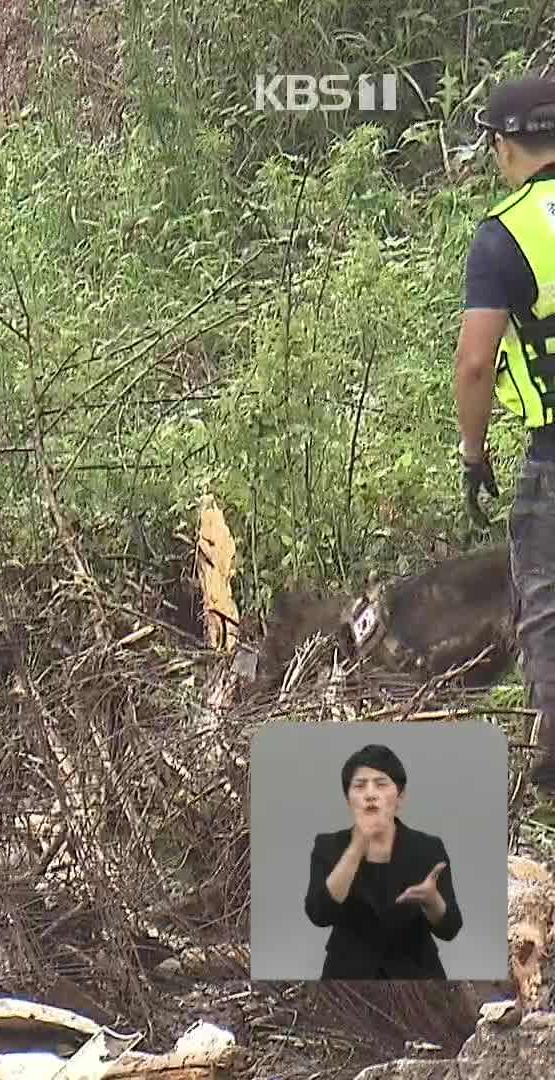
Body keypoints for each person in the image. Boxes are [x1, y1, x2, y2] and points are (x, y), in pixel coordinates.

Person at [455, 72, 555, 794]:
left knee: (547, 608)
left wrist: (473, 451)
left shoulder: (503, 235)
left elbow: (474, 364)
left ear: (502, 145)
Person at [304, 744, 463, 979]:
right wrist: (357, 846)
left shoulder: (428, 848)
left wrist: (432, 900)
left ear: (400, 797)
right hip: (348, 978)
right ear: (348, 798)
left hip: (417, 976)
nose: (370, 794)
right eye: (359, 786)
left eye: (381, 784)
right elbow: (319, 914)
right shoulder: (328, 846)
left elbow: (450, 929)